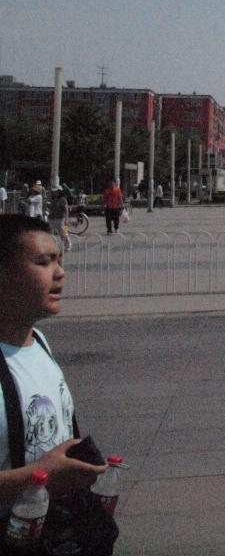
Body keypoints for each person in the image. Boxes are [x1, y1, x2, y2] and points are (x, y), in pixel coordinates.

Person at [0, 215, 109, 521]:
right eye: (43, 262)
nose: (60, 273)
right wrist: (36, 477)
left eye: (59, 261)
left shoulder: (38, 342)